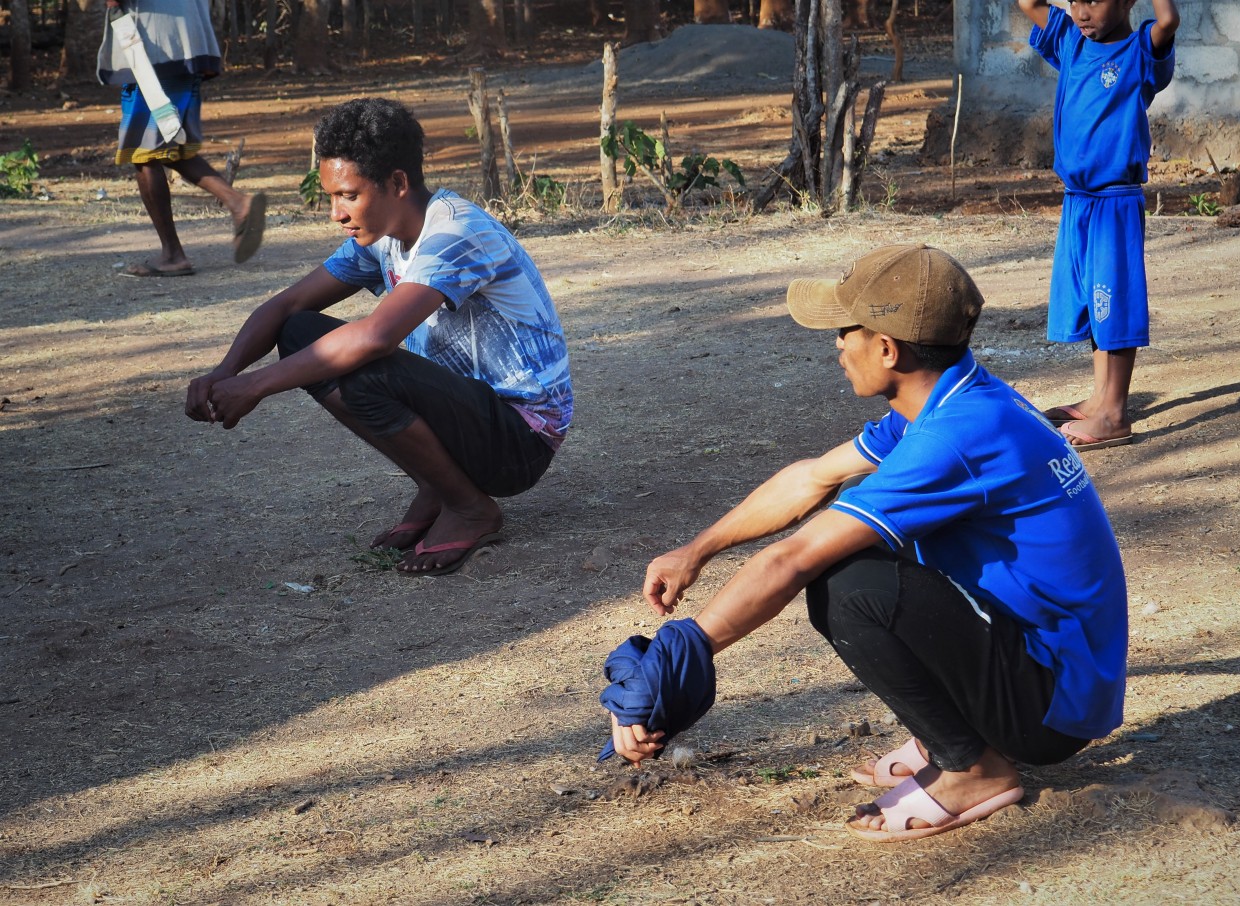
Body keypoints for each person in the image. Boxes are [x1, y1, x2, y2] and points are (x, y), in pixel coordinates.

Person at [603, 244, 1129, 844]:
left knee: (847, 584)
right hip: (1047, 664)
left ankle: (973, 766)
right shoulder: (947, 397)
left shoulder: (954, 436)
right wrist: (697, 550)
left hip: (1049, 706)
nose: (836, 345)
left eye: (846, 331)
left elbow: (794, 557)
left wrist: (676, 657)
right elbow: (815, 477)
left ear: (887, 348)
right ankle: (948, 734)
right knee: (860, 548)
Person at [184, 98, 572, 575]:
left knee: (361, 367)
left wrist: (256, 385)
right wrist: (224, 374)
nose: (336, 213)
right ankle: (440, 485)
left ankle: (469, 506)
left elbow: (377, 338)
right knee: (300, 330)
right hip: (470, 419)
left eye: (348, 194)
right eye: (331, 197)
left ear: (397, 183)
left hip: (519, 441)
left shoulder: (455, 232)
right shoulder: (384, 235)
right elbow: (286, 306)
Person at [1017, 0, 1180, 449]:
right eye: (1076, 0)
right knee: (1095, 301)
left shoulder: (1139, 52)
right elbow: (1029, 3)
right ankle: (1098, 398)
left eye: (1095, 0)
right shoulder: (1070, 42)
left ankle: (1114, 412)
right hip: (1078, 202)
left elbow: (1168, 20)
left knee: (1116, 301)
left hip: (1114, 201)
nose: (1081, 11)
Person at [98, 0, 266, 276]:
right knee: (170, 145)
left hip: (155, 48)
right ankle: (235, 205)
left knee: (144, 153)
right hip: (185, 41)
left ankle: (176, 253)